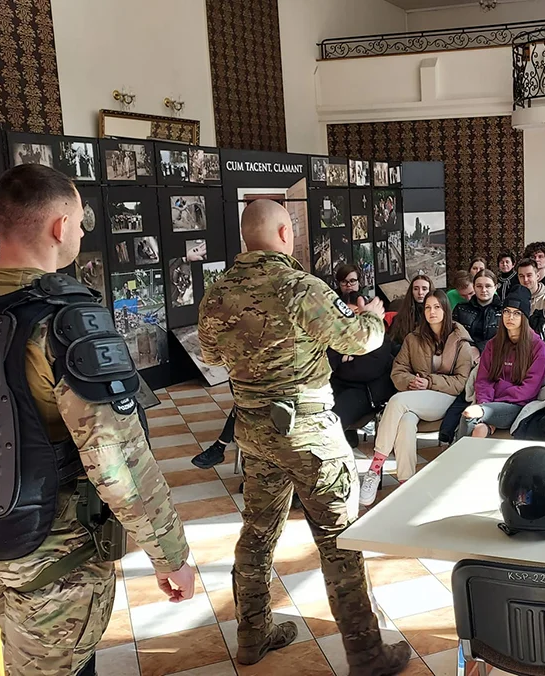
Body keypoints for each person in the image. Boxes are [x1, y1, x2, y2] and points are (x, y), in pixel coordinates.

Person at [0, 164, 193, 675]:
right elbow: (117, 462)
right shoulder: (61, 320)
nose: (79, 231)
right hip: (52, 551)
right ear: (58, 226)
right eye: (78, 221)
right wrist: (170, 554)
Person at [197, 200, 409, 674]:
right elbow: (358, 341)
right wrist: (373, 314)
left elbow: (210, 353)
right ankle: (367, 655)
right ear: (283, 232)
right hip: (310, 434)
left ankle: (251, 636)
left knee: (256, 535)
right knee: (338, 540)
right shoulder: (300, 287)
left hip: (253, 433)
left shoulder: (217, 294)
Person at [361, 291, 477, 505]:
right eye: (428, 308)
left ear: (445, 310)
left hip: (445, 397)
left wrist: (429, 382)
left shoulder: (460, 339)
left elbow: (461, 381)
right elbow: (398, 371)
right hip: (415, 397)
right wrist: (411, 381)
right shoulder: (413, 338)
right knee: (405, 423)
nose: (432, 312)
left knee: (397, 401)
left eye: (437, 307)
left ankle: (375, 467)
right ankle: (406, 482)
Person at [460, 288, 545, 439]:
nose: (510, 317)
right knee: (478, 429)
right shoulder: (493, 344)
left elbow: (529, 389)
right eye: (506, 311)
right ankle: (465, 458)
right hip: (489, 403)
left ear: (524, 317)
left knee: (470, 413)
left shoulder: (538, 346)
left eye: (516, 313)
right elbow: (483, 379)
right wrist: (486, 401)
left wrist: (497, 397)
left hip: (517, 405)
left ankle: (456, 459)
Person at [329, 264, 400, 448]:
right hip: (337, 387)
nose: (351, 318)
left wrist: (344, 362)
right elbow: (329, 361)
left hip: (366, 392)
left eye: (355, 313)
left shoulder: (376, 334)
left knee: (334, 420)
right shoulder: (334, 334)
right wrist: (343, 362)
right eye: (346, 313)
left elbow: (368, 369)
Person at [452, 269, 503, 352]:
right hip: (466, 355)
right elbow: (454, 336)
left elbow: (506, 338)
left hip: (496, 356)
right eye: (479, 286)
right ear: (474, 287)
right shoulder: (460, 309)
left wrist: (479, 349)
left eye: (488, 286)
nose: (483, 290)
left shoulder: (505, 310)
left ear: (495, 287)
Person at [388, 274, 431, 344]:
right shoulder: (400, 317)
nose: (420, 293)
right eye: (416, 289)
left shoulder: (436, 314)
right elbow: (393, 342)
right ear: (411, 291)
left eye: (424, 289)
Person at [515, 258, 545, 331]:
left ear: (537, 276)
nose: (525, 280)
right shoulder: (515, 297)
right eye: (521, 276)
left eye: (529, 275)